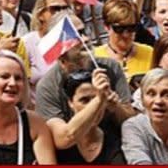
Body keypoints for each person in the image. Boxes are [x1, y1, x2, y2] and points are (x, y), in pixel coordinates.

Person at [35, 14, 136, 153]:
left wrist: (116, 107)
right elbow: (63, 139)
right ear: (61, 50)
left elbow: (132, 123)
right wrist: (100, 99)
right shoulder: (47, 86)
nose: (86, 39)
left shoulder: (111, 68)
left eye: (83, 32)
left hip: (114, 148)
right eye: (75, 35)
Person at [54, 68, 126, 163]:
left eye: (95, 99)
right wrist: (99, 98)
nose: (93, 107)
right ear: (70, 103)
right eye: (84, 100)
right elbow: (68, 136)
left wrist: (117, 108)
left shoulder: (114, 132)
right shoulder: (56, 124)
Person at [93, 0, 153, 83]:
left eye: (131, 28)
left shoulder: (150, 53)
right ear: (106, 26)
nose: (126, 34)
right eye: (119, 29)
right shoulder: (95, 57)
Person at [22, 0, 74, 86]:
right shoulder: (27, 43)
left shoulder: (72, 40)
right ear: (41, 14)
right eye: (55, 9)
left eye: (65, 9)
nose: (61, 13)